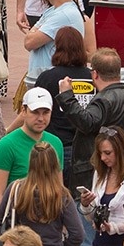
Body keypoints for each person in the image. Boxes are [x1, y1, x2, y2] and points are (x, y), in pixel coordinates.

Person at [54, 46, 124, 192]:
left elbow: (86, 122)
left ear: (95, 74)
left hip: (100, 179)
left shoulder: (104, 100)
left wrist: (67, 96)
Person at [2, 142, 86, 246]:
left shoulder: (16, 189)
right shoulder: (61, 195)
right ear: (55, 164)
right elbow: (78, 233)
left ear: (31, 163)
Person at [0, 88, 67, 214]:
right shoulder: (5, 146)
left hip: (48, 222)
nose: (41, 118)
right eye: (35, 112)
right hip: (18, 222)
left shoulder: (56, 143)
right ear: (23, 111)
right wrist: (7, 229)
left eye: (46, 112)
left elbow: (58, 187)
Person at [80, 127, 124, 246]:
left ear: (121, 151)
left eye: (108, 153)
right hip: (100, 241)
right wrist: (85, 205)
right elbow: (92, 215)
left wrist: (113, 227)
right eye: (100, 153)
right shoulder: (100, 173)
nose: (103, 158)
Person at [24, 0, 89, 93]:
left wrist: (34, 32)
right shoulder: (54, 10)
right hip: (44, 76)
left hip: (52, 81)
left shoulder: (64, 14)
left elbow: (29, 42)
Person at [37, 26, 95, 155]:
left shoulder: (47, 78)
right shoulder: (93, 77)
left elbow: (33, 111)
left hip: (55, 147)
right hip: (86, 148)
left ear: (57, 47)